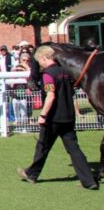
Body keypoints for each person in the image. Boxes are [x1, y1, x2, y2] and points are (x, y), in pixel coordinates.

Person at [18, 45, 99, 190]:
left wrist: (42, 115)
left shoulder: (48, 75)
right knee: (74, 149)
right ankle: (89, 181)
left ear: (44, 58)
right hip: (69, 116)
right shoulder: (67, 73)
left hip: (53, 117)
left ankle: (31, 174)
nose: (40, 65)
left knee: (42, 146)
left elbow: (51, 96)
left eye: (40, 61)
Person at [10, 53, 32, 129]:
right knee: (15, 110)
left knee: (24, 111)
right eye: (24, 60)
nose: (25, 62)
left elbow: (31, 78)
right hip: (15, 92)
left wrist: (27, 68)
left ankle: (25, 126)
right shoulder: (16, 67)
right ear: (20, 60)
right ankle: (17, 123)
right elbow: (11, 80)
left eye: (27, 60)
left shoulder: (29, 68)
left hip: (24, 93)